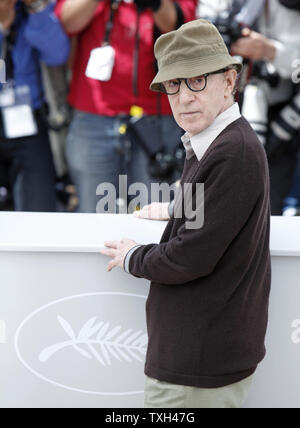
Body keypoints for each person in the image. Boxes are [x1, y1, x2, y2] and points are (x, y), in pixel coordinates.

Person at [100, 19, 271, 408]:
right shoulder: (216, 141)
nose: (183, 97)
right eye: (173, 85)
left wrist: (131, 256)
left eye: (197, 80)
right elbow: (220, 211)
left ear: (230, 81)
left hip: (199, 363)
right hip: (202, 352)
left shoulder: (233, 150)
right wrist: (178, 208)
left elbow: (189, 256)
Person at [55, 0, 197, 213]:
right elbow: (66, 22)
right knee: (93, 216)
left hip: (156, 117)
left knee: (155, 215)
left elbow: (178, 26)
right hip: (94, 117)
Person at [229, 0, 300, 214]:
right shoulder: (238, 6)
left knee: (271, 207)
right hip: (234, 106)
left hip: (286, 114)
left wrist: (271, 52)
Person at [0, 0, 70, 212]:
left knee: (39, 208)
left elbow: (57, 53)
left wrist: (36, 8)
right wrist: (2, 26)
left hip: (29, 120)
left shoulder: (35, 11)